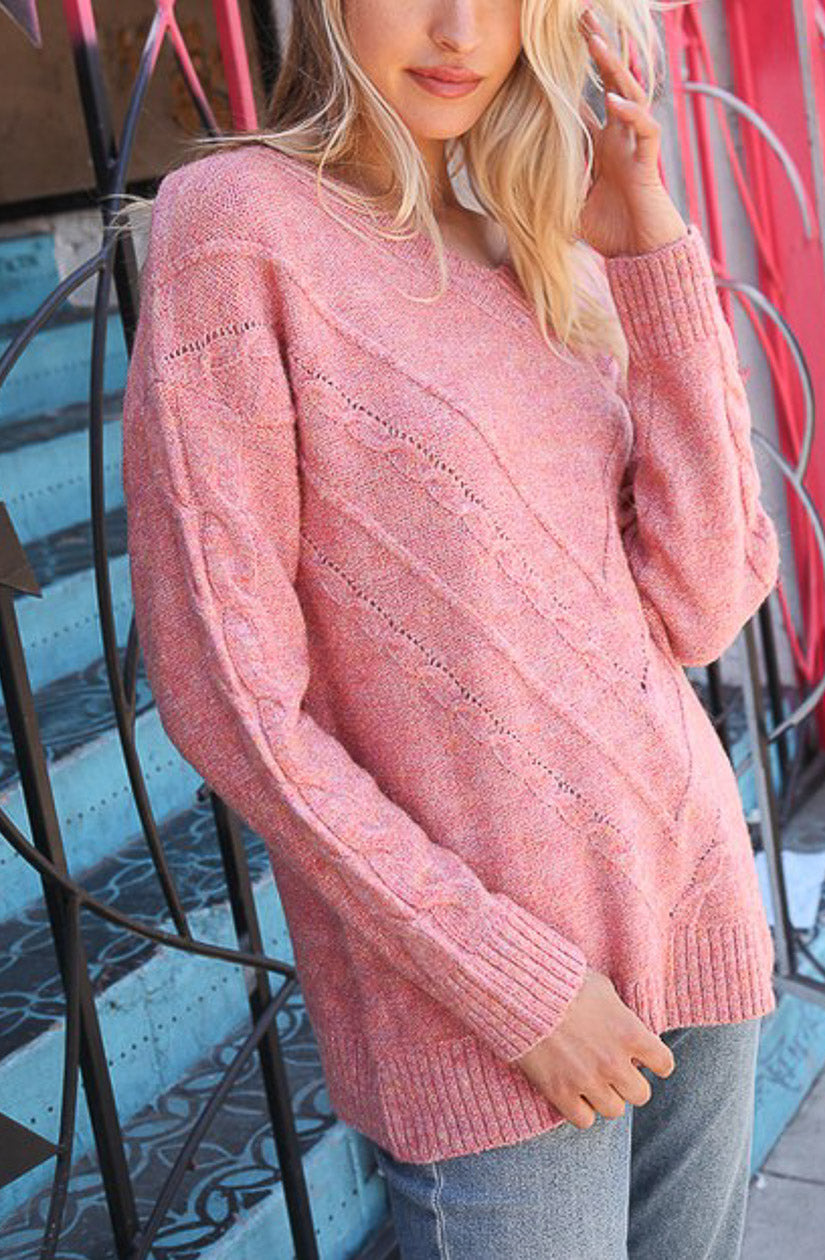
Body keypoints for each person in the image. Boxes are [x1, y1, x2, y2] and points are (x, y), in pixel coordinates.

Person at [120, 1, 781, 1256]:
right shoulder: (239, 225)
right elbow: (231, 703)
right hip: (492, 1012)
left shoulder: (537, 240)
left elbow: (700, 601)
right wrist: (509, 984)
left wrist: (652, 249)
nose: (458, 28)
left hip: (695, 903)